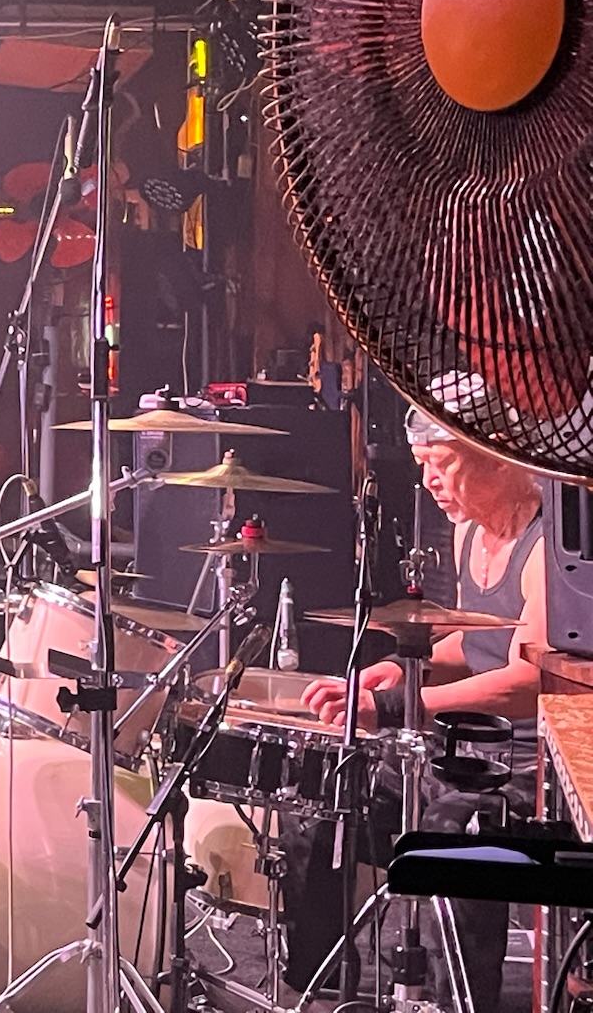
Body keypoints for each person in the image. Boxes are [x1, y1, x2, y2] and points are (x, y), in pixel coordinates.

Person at [281, 403, 546, 1011]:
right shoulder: (470, 530)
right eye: (422, 464)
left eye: (442, 463)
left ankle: (456, 1003)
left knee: (449, 834)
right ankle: (319, 984)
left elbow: (527, 679)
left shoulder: (544, 549)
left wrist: (398, 704)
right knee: (325, 795)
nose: (429, 481)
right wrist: (405, 669)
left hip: (524, 762)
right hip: (454, 739)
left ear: (498, 454)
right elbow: (476, 642)